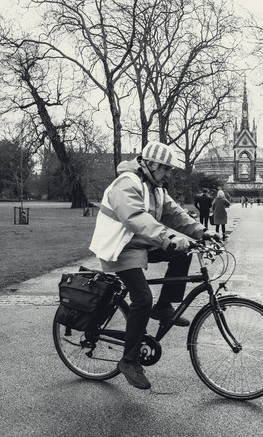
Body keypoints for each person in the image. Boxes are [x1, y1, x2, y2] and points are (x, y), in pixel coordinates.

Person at [89, 141, 221, 391]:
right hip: (120, 248)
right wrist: (169, 239)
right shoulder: (127, 183)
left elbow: (176, 213)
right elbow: (136, 218)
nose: (168, 174)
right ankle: (129, 361)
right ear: (150, 164)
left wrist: (202, 233)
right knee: (142, 298)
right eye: (165, 169)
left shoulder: (156, 188)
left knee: (184, 254)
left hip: (139, 244)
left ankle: (163, 307)